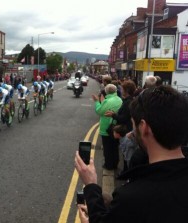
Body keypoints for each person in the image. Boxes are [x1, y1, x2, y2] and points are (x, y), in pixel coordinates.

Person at [75, 85, 188, 223]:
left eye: (133, 124)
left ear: (144, 127)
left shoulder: (131, 197)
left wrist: (91, 184)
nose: (132, 131)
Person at [92, 84, 122, 170]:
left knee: (107, 148)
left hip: (107, 128)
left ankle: (108, 165)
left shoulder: (107, 101)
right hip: (116, 127)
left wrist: (97, 102)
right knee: (115, 147)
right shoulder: (119, 99)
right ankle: (115, 164)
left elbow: (100, 111)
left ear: (106, 91)